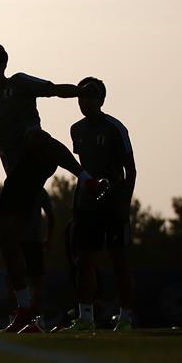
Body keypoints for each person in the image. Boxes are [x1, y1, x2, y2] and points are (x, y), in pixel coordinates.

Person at [0, 42, 105, 333]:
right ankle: (26, 311)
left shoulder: (18, 84)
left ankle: (85, 178)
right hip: (18, 176)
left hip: (39, 159)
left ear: (2, 65)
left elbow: (54, 89)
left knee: (34, 137)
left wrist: (80, 92)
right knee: (7, 240)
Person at [63, 77, 136, 332]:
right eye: (82, 97)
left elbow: (131, 170)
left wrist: (125, 204)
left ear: (102, 100)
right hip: (87, 204)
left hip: (113, 204)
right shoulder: (76, 130)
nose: (86, 102)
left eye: (91, 97)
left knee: (118, 260)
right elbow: (83, 168)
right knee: (85, 260)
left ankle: (126, 316)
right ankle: (85, 316)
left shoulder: (115, 128)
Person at [11, 189, 54, 333]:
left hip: (33, 241)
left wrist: (49, 238)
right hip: (21, 240)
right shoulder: (19, 189)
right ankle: (21, 314)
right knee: (19, 278)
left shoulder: (39, 191)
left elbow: (50, 215)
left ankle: (35, 317)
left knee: (35, 280)